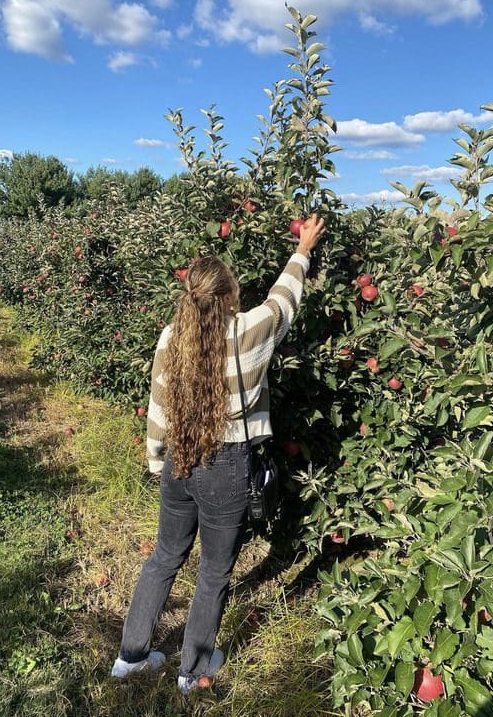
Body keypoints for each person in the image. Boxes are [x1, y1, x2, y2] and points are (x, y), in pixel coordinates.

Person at [111, 212, 326, 693]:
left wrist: (155, 460)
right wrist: (304, 248)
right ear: (229, 297)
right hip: (226, 466)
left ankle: (131, 657)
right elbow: (283, 301)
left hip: (178, 462)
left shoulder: (171, 339)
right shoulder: (247, 332)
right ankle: (194, 670)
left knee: (165, 555)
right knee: (213, 570)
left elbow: (159, 405)